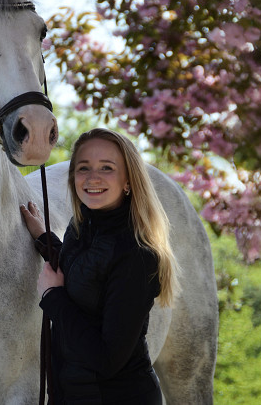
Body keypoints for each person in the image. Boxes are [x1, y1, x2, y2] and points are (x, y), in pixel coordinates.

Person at [20, 128, 180, 404]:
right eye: (84, 168)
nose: (92, 177)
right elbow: (85, 273)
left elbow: (106, 359)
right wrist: (45, 239)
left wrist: (53, 297)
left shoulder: (137, 255)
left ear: (128, 181)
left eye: (106, 168)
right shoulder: (84, 226)